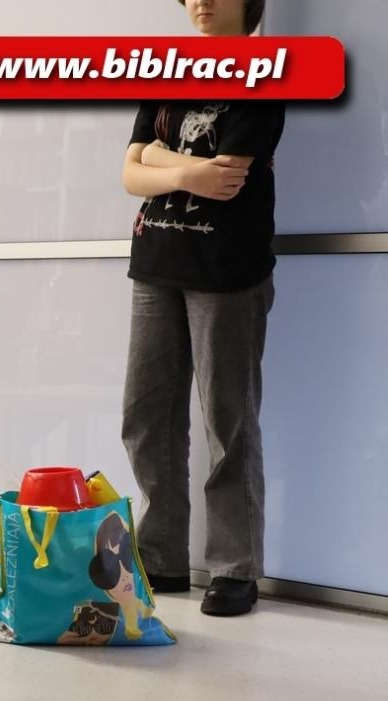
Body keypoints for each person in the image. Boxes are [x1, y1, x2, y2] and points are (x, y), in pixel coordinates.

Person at [120, 0, 281, 617]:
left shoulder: (265, 73)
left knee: (227, 421)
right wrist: (169, 166)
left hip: (228, 274)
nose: (199, 3)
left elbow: (227, 180)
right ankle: (159, 556)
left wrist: (158, 158)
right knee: (145, 418)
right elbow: (127, 175)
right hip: (154, 266)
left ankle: (234, 569)